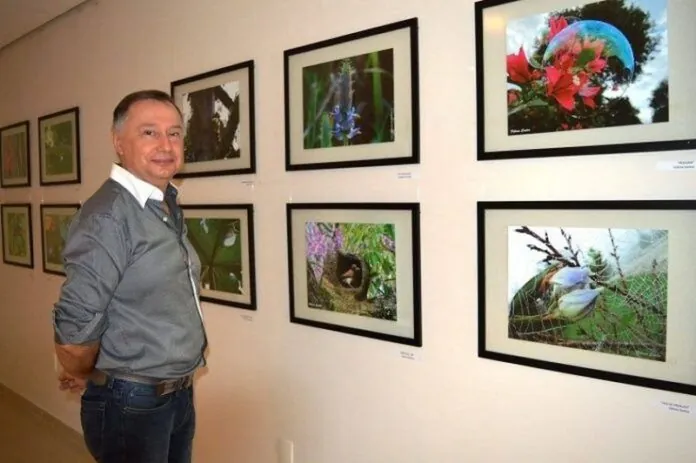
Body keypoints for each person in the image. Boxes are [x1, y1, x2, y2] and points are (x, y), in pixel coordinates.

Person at [52, 89, 208, 463]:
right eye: (149, 132)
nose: (166, 145)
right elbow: (74, 332)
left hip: (175, 394)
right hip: (133, 403)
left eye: (174, 132)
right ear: (118, 142)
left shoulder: (164, 203)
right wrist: (91, 371)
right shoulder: (108, 216)